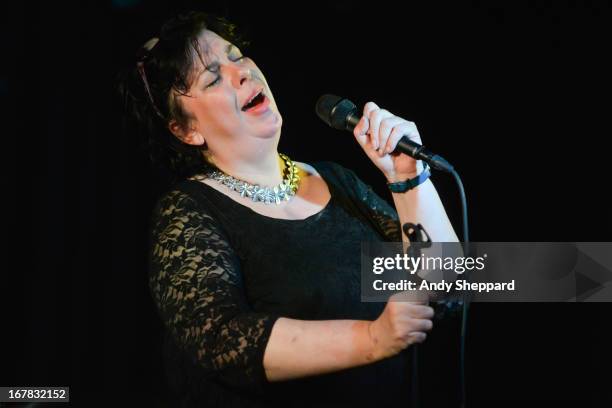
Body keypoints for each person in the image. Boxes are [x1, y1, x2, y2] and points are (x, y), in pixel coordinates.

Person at [120, 11, 459, 407]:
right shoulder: (188, 212)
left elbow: (449, 286)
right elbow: (220, 342)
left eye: (237, 56)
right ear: (186, 130)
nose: (241, 72)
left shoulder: (338, 180)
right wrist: (372, 339)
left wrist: (409, 179)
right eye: (212, 77)